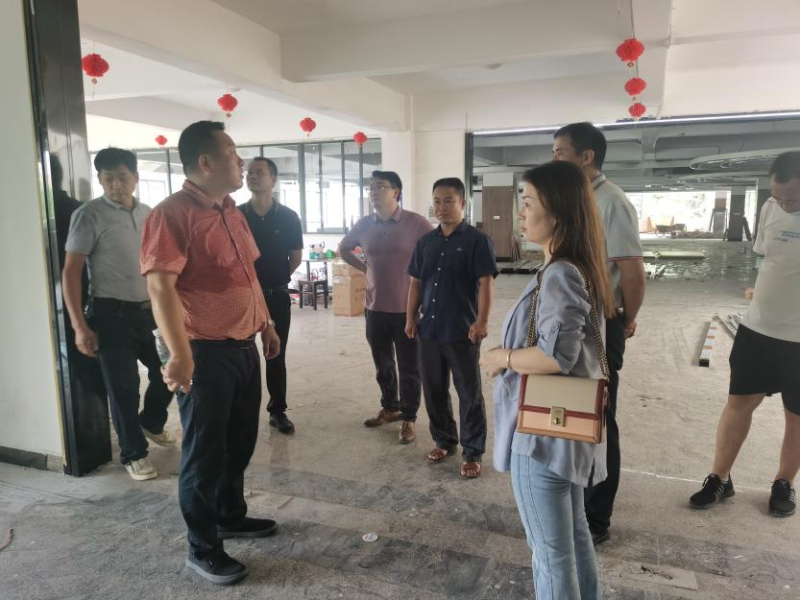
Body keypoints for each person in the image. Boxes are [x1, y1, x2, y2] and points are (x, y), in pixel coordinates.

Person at [140, 121, 282, 585]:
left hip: (243, 346)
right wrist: (178, 353)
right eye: (232, 152)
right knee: (204, 453)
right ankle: (202, 548)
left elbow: (248, 275)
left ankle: (229, 515)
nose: (240, 161)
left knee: (239, 441)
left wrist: (266, 323)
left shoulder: (230, 211)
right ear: (206, 162)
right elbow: (160, 287)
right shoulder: (172, 214)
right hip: (203, 351)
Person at [481, 161, 614, 600]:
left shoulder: (560, 274)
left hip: (541, 435)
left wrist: (501, 358)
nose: (520, 212)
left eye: (528, 202)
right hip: (565, 432)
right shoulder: (578, 268)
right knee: (573, 538)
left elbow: (556, 356)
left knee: (550, 555)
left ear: (557, 213)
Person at [689, 151, 800, 518]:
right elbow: (768, 257)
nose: (784, 204)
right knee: (738, 405)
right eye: (778, 196)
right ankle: (720, 478)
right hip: (758, 330)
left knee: (796, 417)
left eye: (792, 198)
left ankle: (783, 483)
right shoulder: (770, 208)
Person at [553, 122, 646, 545]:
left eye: (560, 152)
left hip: (601, 322)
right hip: (571, 318)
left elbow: (633, 273)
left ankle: (596, 518)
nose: (555, 158)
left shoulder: (612, 203)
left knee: (600, 418)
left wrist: (625, 319)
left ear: (586, 156)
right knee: (573, 411)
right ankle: (575, 499)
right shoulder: (574, 200)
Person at [63, 148, 174, 482]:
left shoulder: (149, 214)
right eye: (108, 178)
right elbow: (71, 271)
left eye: (122, 177)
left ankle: (151, 421)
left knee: (170, 370)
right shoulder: (88, 215)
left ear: (136, 177)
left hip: (151, 311)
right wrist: (79, 326)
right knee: (123, 387)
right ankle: (133, 453)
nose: (116, 185)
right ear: (99, 180)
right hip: (111, 315)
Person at [406, 177, 497, 478]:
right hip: (429, 329)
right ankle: (444, 440)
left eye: (448, 200)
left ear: (462, 203)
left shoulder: (477, 241)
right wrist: (409, 318)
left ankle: (472, 451)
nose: (441, 207)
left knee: (469, 393)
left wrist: (481, 321)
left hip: (462, 330)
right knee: (433, 389)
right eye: (437, 201)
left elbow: (486, 282)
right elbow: (416, 283)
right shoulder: (426, 243)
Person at [339, 171, 433, 443]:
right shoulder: (364, 224)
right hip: (375, 307)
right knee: (383, 365)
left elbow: (437, 250)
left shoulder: (416, 223)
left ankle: (409, 418)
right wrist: (365, 268)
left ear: (396, 192)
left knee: (409, 367)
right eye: (371, 187)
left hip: (407, 310)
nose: (374, 191)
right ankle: (390, 407)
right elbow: (344, 248)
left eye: (380, 186)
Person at [239, 157, 303, 435]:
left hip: (276, 295)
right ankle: (241, 409)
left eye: (259, 172)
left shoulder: (288, 217)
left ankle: (278, 410)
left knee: (275, 353)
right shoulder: (236, 216)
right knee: (241, 354)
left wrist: (275, 279)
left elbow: (295, 258)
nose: (252, 176)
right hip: (242, 296)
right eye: (249, 172)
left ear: (273, 180)